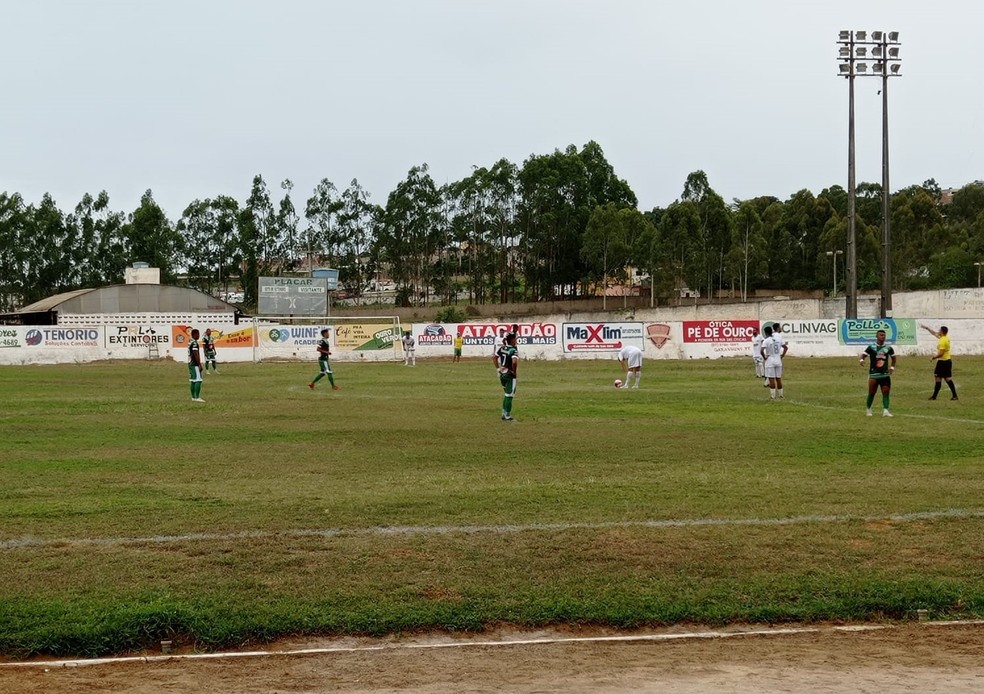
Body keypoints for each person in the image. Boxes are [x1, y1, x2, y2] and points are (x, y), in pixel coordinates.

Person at [860, 329, 896, 417]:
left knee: (886, 392)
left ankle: (886, 410)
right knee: (872, 392)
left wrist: (892, 367)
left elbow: (894, 358)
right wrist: (861, 360)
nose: (882, 337)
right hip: (874, 375)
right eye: (880, 335)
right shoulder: (871, 347)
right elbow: (863, 355)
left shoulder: (888, 348)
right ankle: (868, 409)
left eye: (884, 335)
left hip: (885, 374)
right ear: (876, 336)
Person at [921, 324, 958, 400]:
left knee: (938, 378)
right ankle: (954, 396)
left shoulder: (942, 341)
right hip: (947, 361)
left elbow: (941, 353)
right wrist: (927, 328)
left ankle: (934, 397)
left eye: (939, 330)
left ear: (942, 331)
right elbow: (934, 333)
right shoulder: (944, 338)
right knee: (947, 379)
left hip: (942, 362)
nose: (938, 331)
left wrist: (933, 357)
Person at [495, 332, 519, 421]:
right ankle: (507, 416)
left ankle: (503, 413)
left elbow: (494, 357)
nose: (516, 340)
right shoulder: (513, 350)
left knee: (506, 394)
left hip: (502, 374)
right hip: (510, 375)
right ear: (512, 340)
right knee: (509, 395)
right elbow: (514, 362)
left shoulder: (502, 348)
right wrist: (514, 371)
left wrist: (498, 369)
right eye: (515, 339)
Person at [760, 324, 787, 400]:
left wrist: (765, 357)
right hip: (778, 360)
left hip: (770, 361)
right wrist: (782, 356)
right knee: (778, 378)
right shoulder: (778, 339)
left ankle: (772, 396)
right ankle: (781, 395)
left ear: (765, 333)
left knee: (771, 379)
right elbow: (785, 347)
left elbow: (761, 350)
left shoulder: (766, 340)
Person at [187, 328, 205, 402]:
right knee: (198, 380)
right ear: (194, 334)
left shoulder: (190, 341)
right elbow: (195, 354)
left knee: (193, 380)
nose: (199, 335)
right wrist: (199, 364)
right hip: (194, 364)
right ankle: (197, 397)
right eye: (198, 334)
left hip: (190, 363)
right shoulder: (194, 343)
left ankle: (193, 397)